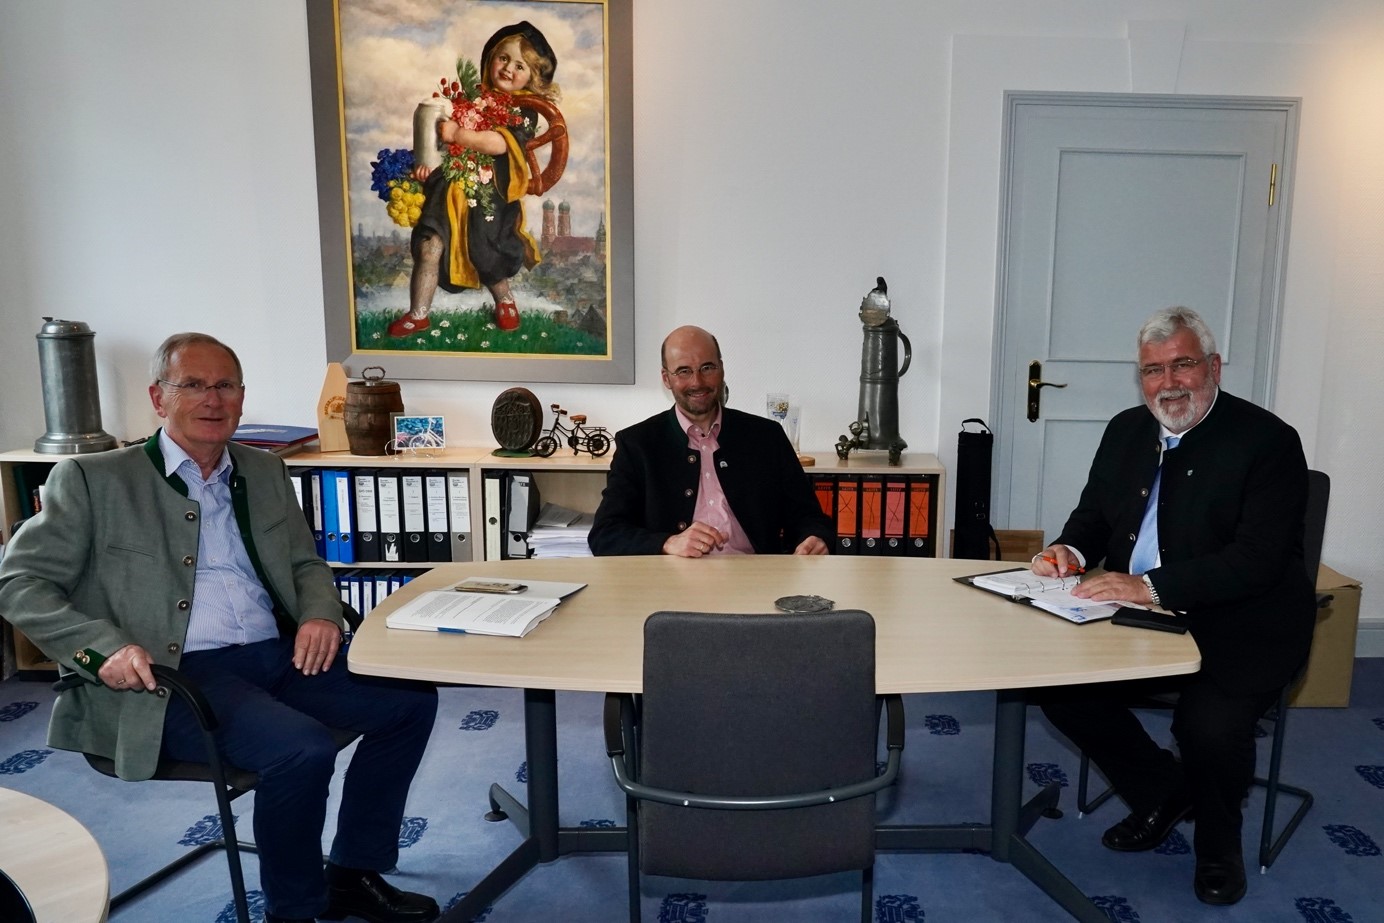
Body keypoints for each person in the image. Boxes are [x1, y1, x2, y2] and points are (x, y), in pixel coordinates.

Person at [0, 333, 441, 923]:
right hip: (174, 676)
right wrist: (102, 650)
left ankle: (352, 873)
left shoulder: (263, 469)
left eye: (225, 385)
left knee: (409, 703)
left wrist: (319, 612)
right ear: (159, 398)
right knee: (301, 750)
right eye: (193, 385)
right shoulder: (91, 478)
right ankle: (294, 910)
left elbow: (306, 563)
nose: (213, 399)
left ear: (241, 395)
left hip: (276, 654)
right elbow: (19, 583)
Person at [1032, 306, 1315, 906]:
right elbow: (1093, 516)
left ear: (1213, 367)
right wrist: (1067, 551)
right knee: (1056, 687)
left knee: (1207, 727)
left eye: (1182, 364)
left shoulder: (1268, 442)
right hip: (1138, 619)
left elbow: (1257, 561)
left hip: (1243, 623)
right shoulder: (1126, 430)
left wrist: (1149, 586)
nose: (1168, 383)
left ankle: (1218, 845)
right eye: (1152, 370)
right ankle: (1164, 791)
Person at [588, 325, 833, 557]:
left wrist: (815, 537)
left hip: (755, 575)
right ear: (666, 378)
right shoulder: (637, 444)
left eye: (707, 368)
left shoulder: (767, 436)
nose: (697, 382)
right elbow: (605, 534)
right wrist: (668, 543)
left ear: (721, 369)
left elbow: (809, 516)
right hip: (672, 578)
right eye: (684, 371)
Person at [388, 21, 560, 338]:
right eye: (503, 58)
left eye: (520, 66)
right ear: (490, 58)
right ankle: (418, 314)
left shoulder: (524, 111)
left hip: (491, 199)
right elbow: (439, 143)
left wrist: (459, 134)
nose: (508, 68)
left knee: (487, 255)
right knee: (429, 246)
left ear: (533, 77)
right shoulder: (470, 98)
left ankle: (504, 300)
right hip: (446, 191)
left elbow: (499, 143)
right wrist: (426, 165)